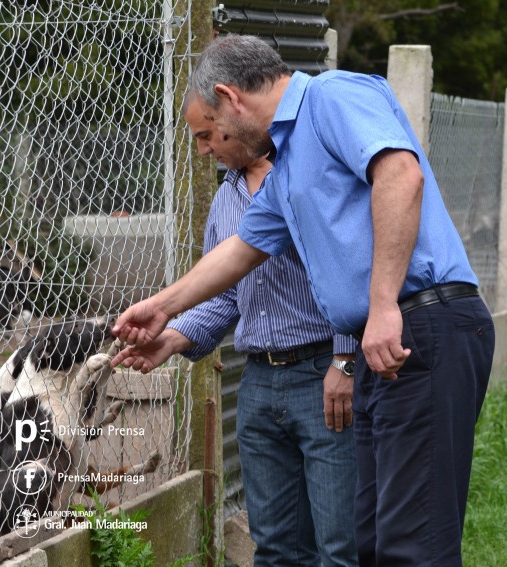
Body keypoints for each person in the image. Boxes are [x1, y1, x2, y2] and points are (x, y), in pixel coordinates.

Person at [111, 35, 494, 566]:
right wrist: (162, 307)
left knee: (414, 546)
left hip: (420, 321)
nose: (208, 147)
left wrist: (383, 306)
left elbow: (400, 174)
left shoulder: (332, 96)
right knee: (374, 543)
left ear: (229, 96)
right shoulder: (286, 164)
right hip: (385, 339)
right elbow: (240, 251)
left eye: (211, 131)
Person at [125, 90, 359, 566]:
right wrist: (171, 339)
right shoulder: (224, 201)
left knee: (341, 546)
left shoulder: (306, 175)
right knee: (274, 548)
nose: (203, 150)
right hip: (258, 384)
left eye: (207, 135)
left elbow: (352, 262)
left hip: (324, 376)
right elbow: (227, 296)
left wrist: (345, 359)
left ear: (233, 114)